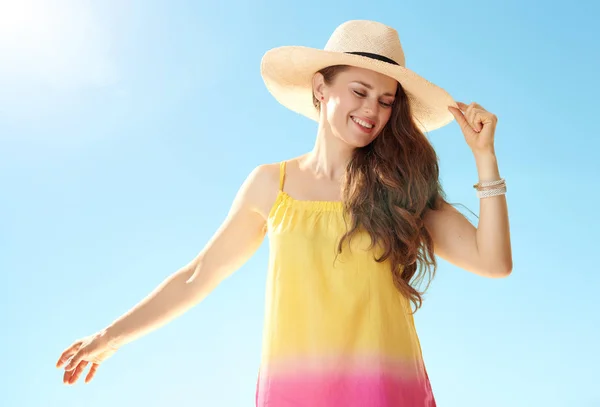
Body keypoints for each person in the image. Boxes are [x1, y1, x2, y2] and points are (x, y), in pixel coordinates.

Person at [56, 20, 512, 406]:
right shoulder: (269, 184)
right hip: (295, 393)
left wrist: (484, 157)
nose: (372, 110)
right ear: (321, 87)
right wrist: (110, 338)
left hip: (387, 391)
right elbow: (199, 276)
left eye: (386, 100)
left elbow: (493, 262)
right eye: (359, 90)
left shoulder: (402, 187)